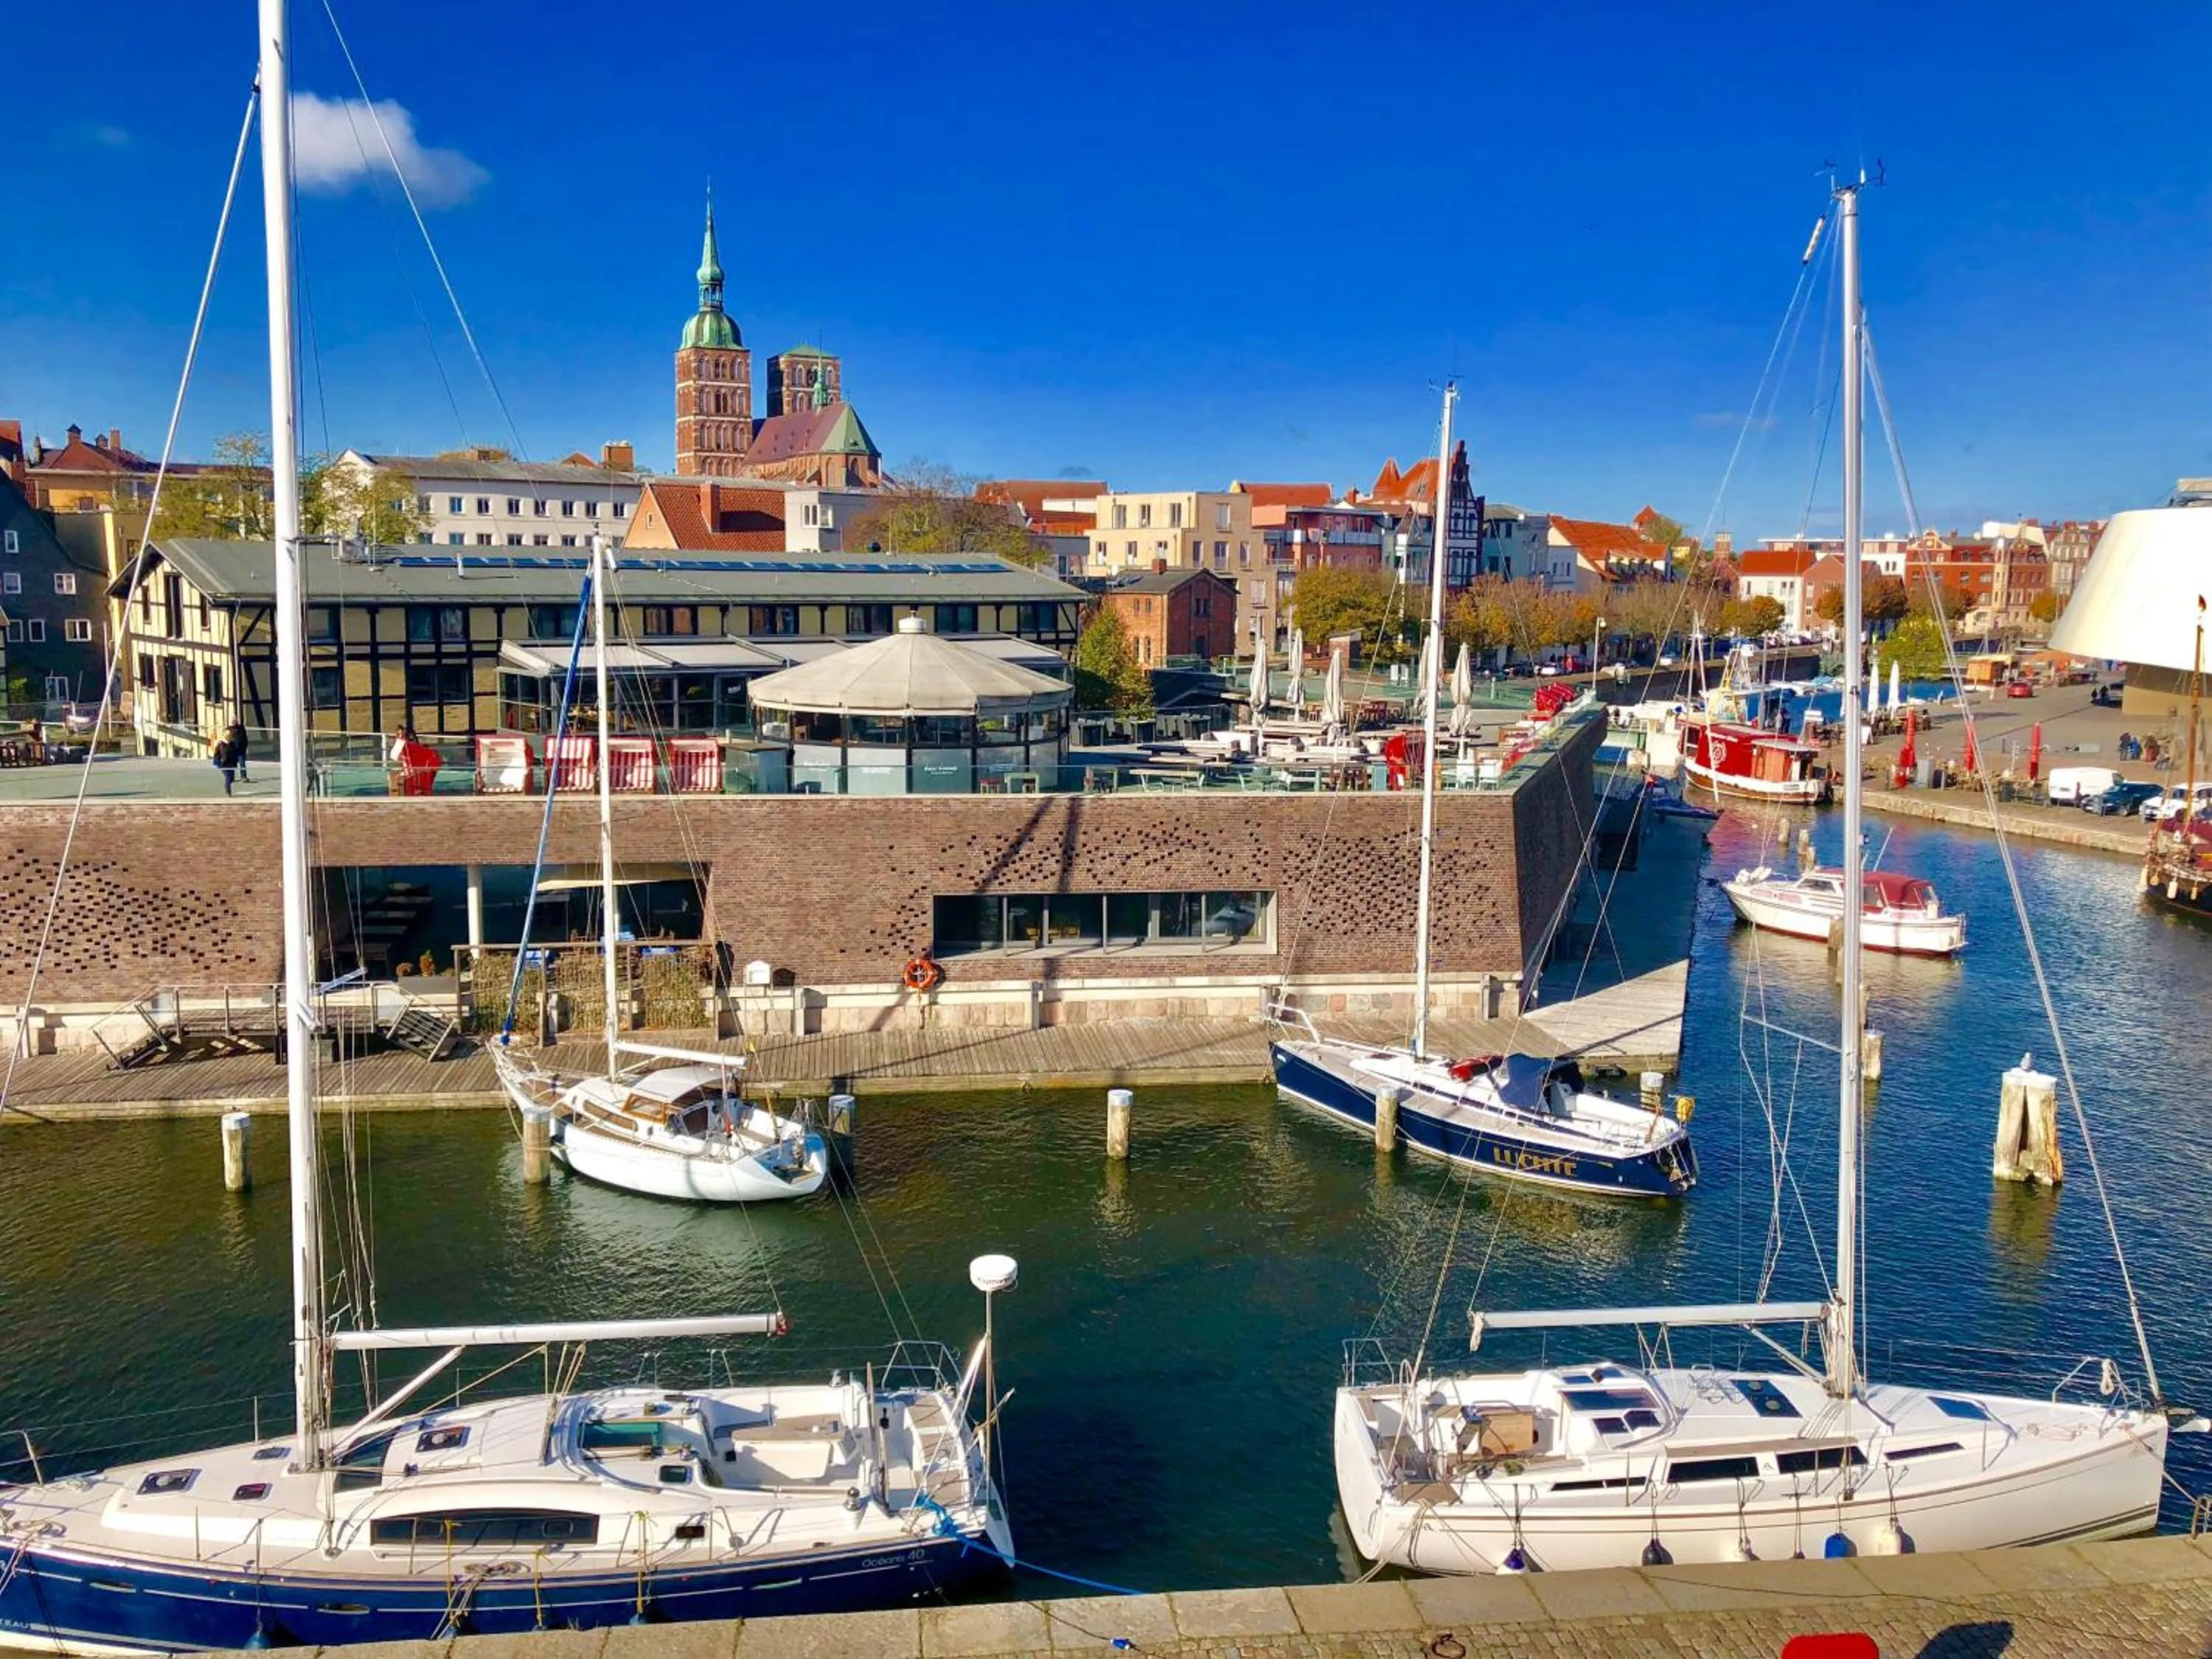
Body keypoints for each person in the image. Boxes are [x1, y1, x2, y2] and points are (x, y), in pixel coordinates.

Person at [212, 732, 238, 796]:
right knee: (228, 776)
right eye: (229, 737)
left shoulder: (233, 744)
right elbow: (217, 754)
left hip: (231, 763)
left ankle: (228, 785)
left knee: (231, 778)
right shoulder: (221, 744)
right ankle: (228, 788)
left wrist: (236, 761)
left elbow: (235, 753)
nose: (230, 738)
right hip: (224, 764)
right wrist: (216, 762)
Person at [225, 719, 250, 784]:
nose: (234, 722)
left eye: (235, 721)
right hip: (232, 750)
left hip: (241, 750)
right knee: (231, 764)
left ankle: (243, 777)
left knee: (242, 764)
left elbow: (245, 739)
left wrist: (245, 747)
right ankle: (231, 777)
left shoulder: (241, 729)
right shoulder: (229, 729)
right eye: (233, 721)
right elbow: (226, 739)